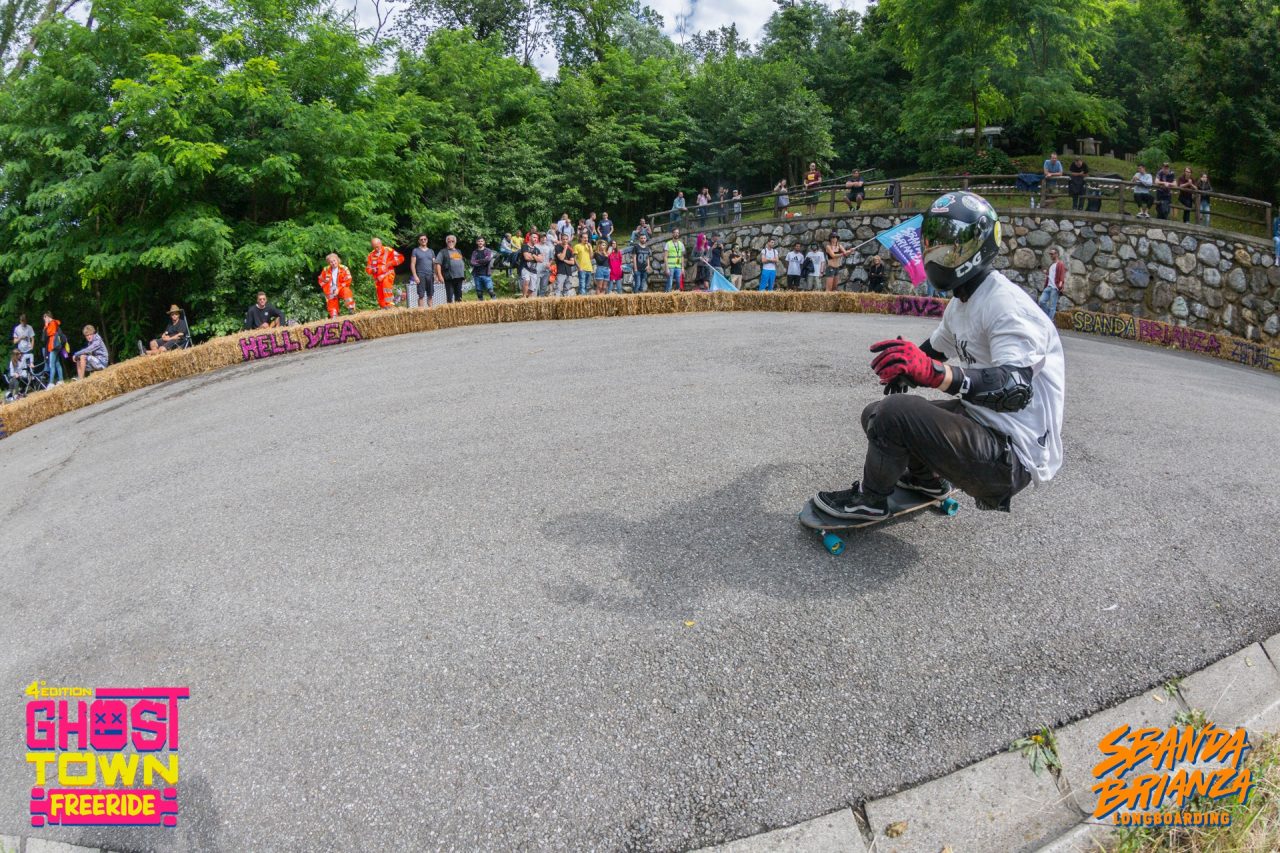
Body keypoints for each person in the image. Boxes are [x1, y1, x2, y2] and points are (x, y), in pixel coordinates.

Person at [812, 189, 1064, 521]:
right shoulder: (963, 302)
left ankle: (869, 502)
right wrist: (906, 363)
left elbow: (1015, 387)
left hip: (1012, 454)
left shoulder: (1006, 305)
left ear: (979, 243)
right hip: (983, 424)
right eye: (932, 241)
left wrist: (935, 374)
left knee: (894, 415)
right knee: (876, 414)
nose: (935, 252)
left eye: (948, 242)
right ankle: (926, 482)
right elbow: (935, 348)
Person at [366, 237, 403, 309]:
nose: (376, 249)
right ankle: (383, 307)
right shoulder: (371, 255)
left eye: (377, 247)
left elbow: (401, 258)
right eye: (374, 247)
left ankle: (390, 304)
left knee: (386, 285)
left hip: (388, 274)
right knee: (380, 293)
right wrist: (372, 270)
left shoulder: (388, 250)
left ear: (380, 243)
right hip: (377, 278)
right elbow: (368, 269)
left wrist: (390, 263)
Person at [434, 235, 467, 304]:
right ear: (446, 242)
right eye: (449, 241)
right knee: (449, 297)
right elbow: (438, 264)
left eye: (452, 241)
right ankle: (450, 312)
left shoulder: (458, 251)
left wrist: (464, 275)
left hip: (459, 277)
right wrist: (439, 275)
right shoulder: (443, 252)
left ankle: (458, 312)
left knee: (459, 297)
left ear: (455, 242)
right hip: (449, 277)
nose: (451, 242)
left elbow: (462, 263)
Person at [1038, 248, 1066, 320]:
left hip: (1055, 288)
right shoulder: (1051, 265)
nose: (1050, 255)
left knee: (1052, 306)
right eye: (1050, 254)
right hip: (1048, 287)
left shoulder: (1060, 264)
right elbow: (1051, 275)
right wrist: (1046, 272)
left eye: (1052, 254)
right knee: (1041, 301)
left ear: (1056, 254)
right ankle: (1049, 318)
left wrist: (1060, 286)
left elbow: (1062, 276)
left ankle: (1049, 321)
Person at [410, 234, 436, 308]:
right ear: (419, 241)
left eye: (424, 239)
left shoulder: (431, 251)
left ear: (427, 240)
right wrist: (415, 276)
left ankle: (431, 311)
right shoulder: (415, 250)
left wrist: (436, 274)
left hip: (430, 275)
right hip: (420, 275)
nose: (423, 241)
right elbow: (412, 264)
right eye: (421, 239)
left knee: (430, 295)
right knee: (421, 295)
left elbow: (434, 264)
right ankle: (421, 313)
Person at [41, 311, 64, 386]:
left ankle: (51, 382)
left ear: (48, 317)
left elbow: (48, 334)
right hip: (54, 345)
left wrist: (46, 326)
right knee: (57, 363)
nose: (44, 320)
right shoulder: (53, 323)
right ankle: (61, 380)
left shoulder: (52, 323)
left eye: (45, 318)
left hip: (54, 345)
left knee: (51, 364)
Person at [519, 232, 541, 298]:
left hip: (533, 270)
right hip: (525, 268)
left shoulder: (537, 250)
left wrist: (533, 255)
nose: (536, 239)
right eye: (534, 237)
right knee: (526, 281)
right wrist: (536, 258)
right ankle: (524, 297)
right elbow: (526, 257)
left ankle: (527, 297)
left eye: (537, 238)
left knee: (532, 288)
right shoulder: (525, 246)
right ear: (530, 237)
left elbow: (541, 260)